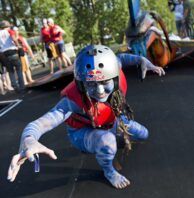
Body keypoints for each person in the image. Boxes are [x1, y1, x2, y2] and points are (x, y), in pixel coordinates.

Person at [7, 45, 165, 189]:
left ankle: (107, 137)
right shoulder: (72, 102)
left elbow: (122, 58)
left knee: (144, 134)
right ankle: (108, 171)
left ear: (115, 76)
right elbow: (40, 124)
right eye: (91, 84)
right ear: (81, 84)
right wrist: (28, 139)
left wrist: (142, 60)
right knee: (108, 142)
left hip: (110, 121)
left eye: (105, 82)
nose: (100, 91)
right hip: (82, 133)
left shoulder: (113, 66)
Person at [0, 20, 25, 92]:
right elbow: (14, 39)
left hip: (4, 54)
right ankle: (22, 87)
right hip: (12, 51)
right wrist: (19, 46)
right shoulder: (10, 31)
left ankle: (15, 86)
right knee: (19, 70)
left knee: (10, 71)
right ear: (7, 26)